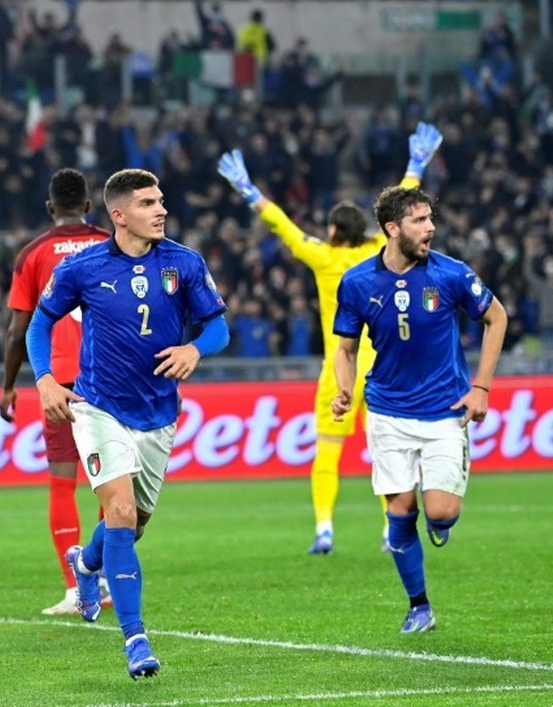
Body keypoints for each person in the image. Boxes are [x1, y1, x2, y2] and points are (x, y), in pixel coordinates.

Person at [26, 168, 230, 679]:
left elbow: (219, 326)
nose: (160, 209)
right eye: (147, 203)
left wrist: (195, 348)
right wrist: (47, 379)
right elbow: (39, 321)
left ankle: (87, 563)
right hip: (97, 406)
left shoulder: (183, 263)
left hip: (158, 412)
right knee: (116, 509)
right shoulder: (84, 267)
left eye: (160, 200)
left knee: (133, 526)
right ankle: (136, 640)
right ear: (119, 215)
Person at [218, 121, 444, 555]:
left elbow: (284, 226)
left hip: (339, 366)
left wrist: (248, 190)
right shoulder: (380, 251)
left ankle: (324, 528)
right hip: (384, 368)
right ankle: (389, 531)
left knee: (328, 451)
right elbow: (400, 213)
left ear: (335, 231)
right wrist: (416, 165)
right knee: (388, 453)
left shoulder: (323, 257)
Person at [331, 186, 507, 633]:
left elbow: (496, 317)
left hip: (446, 410)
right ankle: (419, 606)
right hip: (388, 412)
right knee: (399, 512)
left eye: (431, 218)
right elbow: (346, 348)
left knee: (442, 512)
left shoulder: (450, 274)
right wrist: (344, 390)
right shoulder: (357, 283)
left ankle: (441, 518)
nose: (431, 228)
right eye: (420, 221)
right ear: (393, 229)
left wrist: (481, 387)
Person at [0, 168, 113, 615]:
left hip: (59, 384)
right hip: (109, 379)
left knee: (62, 483)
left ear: (50, 208)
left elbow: (17, 330)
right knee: (112, 484)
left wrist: (9, 386)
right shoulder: (112, 243)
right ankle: (101, 579)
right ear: (89, 207)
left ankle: (74, 589)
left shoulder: (33, 253)